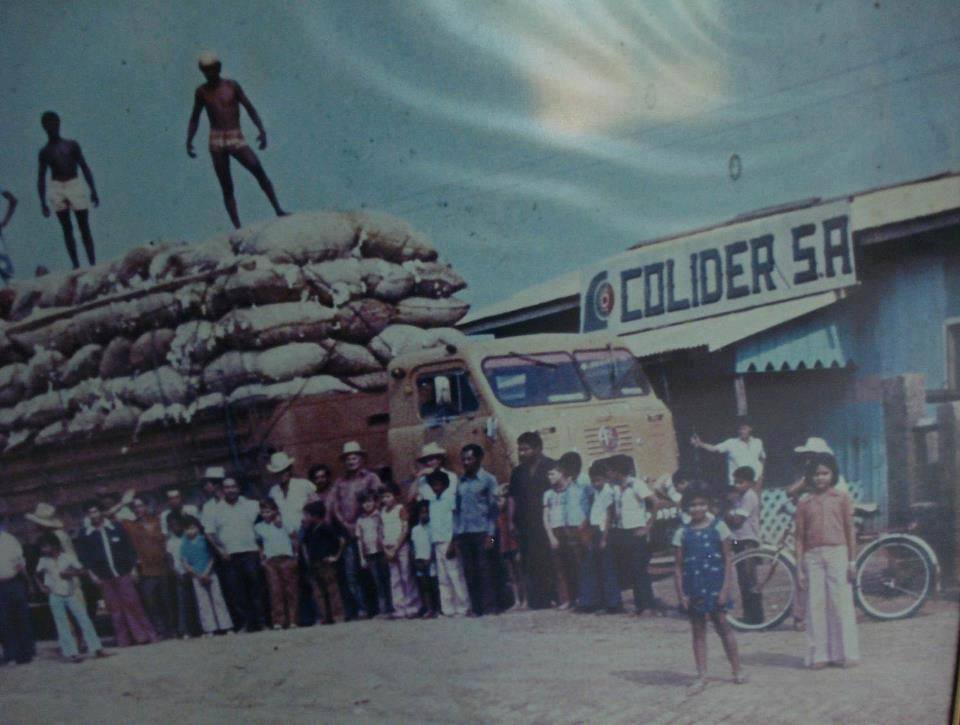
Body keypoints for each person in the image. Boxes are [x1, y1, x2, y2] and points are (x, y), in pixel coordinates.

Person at [186, 51, 288, 229]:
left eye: (212, 68)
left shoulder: (231, 86)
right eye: (205, 70)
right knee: (226, 184)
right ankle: (238, 227)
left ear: (218, 68)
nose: (209, 73)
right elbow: (195, 117)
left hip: (235, 136)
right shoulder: (202, 92)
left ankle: (278, 209)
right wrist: (189, 140)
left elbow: (249, 107)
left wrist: (261, 129)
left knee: (257, 168)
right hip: (216, 140)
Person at [673, 483, 745, 695]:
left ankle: (737, 670)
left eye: (702, 504)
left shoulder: (719, 527)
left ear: (708, 505)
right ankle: (702, 675)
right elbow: (678, 567)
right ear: (686, 507)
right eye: (693, 505)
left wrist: (725, 589)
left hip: (715, 585)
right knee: (698, 631)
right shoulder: (681, 533)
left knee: (723, 627)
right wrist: (681, 594)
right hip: (694, 587)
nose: (698, 508)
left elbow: (728, 559)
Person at [795, 453, 859, 669]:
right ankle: (819, 655)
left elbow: (850, 531)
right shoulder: (804, 502)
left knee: (839, 603)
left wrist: (852, 561)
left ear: (833, 474)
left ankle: (844, 654)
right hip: (812, 556)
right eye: (816, 474)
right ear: (809, 476)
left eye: (825, 473)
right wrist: (799, 568)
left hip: (837, 553)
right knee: (815, 605)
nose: (820, 478)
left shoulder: (841, 498)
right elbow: (799, 537)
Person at [76, 499, 158, 647]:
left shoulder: (116, 527)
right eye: (90, 513)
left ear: (101, 512)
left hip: (123, 572)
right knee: (114, 609)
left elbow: (129, 548)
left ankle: (144, 635)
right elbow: (84, 557)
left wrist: (133, 568)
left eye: (96, 511)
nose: (94, 515)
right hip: (103, 576)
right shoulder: (85, 534)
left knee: (133, 604)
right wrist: (92, 574)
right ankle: (124, 640)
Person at [36, 111, 98, 268]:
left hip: (74, 184)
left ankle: (92, 263)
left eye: (53, 123)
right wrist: (42, 202)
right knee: (66, 228)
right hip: (57, 186)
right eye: (47, 124)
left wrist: (93, 190)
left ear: (59, 123)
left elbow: (84, 167)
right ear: (44, 127)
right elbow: (41, 177)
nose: (51, 127)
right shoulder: (45, 152)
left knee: (84, 225)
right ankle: (76, 265)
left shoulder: (71, 145)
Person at [34, 532, 108, 662]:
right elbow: (36, 574)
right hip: (54, 594)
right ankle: (72, 653)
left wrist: (71, 573)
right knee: (62, 623)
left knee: (84, 619)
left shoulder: (67, 557)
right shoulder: (43, 561)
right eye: (42, 547)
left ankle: (97, 648)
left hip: (70, 592)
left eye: (46, 546)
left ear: (54, 545)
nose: (43, 550)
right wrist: (42, 587)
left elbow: (83, 570)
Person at [204, 477, 266, 632]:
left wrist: (261, 548)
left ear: (239, 488)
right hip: (229, 555)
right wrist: (220, 550)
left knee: (256, 588)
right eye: (227, 487)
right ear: (222, 490)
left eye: (233, 486)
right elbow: (210, 533)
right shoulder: (215, 509)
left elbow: (266, 517)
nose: (230, 490)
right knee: (236, 591)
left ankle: (261, 622)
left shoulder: (251, 505)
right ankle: (245, 623)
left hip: (250, 551)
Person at [331, 441, 382, 621]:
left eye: (354, 457)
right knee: (351, 573)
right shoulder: (340, 482)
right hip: (347, 532)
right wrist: (344, 523)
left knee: (373, 570)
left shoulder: (371, 478)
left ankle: (380, 607)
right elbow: (335, 505)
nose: (351, 461)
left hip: (369, 530)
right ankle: (362, 608)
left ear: (361, 459)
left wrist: (366, 520)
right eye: (348, 458)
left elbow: (378, 500)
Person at [509, 432, 557, 609]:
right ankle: (538, 600)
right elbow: (512, 497)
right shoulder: (517, 472)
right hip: (525, 524)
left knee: (549, 559)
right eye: (520, 450)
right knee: (530, 561)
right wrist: (511, 521)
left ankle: (556, 596)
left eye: (526, 449)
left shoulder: (551, 466)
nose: (521, 453)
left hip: (546, 522)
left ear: (538, 448)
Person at [608, 455, 659, 615]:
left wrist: (648, 526)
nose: (608, 473)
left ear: (617, 471)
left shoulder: (636, 484)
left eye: (610, 471)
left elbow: (655, 502)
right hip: (622, 532)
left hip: (636, 531)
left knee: (640, 569)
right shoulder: (615, 488)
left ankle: (647, 605)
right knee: (631, 570)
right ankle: (640, 605)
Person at [454, 444, 499, 617]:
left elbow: (494, 511)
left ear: (479, 459)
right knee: (469, 571)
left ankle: (490, 607)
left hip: (484, 533)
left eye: (469, 459)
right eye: (463, 459)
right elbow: (457, 510)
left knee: (486, 569)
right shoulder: (460, 481)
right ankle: (476, 608)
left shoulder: (489, 480)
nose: (465, 462)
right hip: (465, 534)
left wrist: (491, 537)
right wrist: (456, 535)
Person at [124, 496, 174, 639]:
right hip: (145, 570)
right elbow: (109, 517)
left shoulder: (157, 521)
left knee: (167, 600)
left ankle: (172, 629)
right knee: (151, 601)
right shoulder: (131, 526)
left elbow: (166, 540)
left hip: (162, 566)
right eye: (135, 507)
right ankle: (159, 630)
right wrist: (123, 502)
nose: (138, 509)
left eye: (140, 506)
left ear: (146, 506)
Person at [578, 461, 622, 614]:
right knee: (595, 567)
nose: (595, 484)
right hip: (595, 531)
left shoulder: (608, 492)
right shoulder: (596, 492)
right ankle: (598, 601)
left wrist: (604, 538)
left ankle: (613, 603)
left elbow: (609, 516)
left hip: (604, 532)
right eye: (593, 481)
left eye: (598, 480)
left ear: (605, 479)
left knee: (608, 568)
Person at [424, 469, 469, 616]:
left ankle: (463, 607)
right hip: (437, 542)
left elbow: (455, 522)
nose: (435, 487)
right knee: (443, 578)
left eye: (438, 484)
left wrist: (453, 542)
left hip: (449, 542)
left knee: (455, 575)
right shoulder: (432, 502)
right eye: (432, 485)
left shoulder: (450, 499)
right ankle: (448, 609)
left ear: (445, 485)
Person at [179, 516, 233, 636]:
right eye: (187, 529)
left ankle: (226, 626)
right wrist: (197, 575)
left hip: (210, 573)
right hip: (196, 577)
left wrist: (207, 572)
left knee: (218, 600)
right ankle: (210, 628)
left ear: (198, 528)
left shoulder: (204, 540)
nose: (190, 531)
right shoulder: (184, 544)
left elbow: (212, 557)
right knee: (203, 603)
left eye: (192, 528)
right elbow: (184, 562)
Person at [724, 466, 764, 626]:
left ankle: (757, 617)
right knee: (743, 580)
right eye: (735, 482)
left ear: (750, 483)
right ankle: (749, 615)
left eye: (740, 482)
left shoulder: (749, 497)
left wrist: (728, 508)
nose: (736, 485)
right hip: (738, 539)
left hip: (748, 540)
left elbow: (737, 520)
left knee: (750, 579)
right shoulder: (739, 497)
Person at [299, 501, 347, 625]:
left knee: (332, 589)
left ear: (315, 515)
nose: (305, 518)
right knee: (318, 591)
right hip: (314, 563)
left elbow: (341, 541)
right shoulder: (309, 530)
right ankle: (325, 616)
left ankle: (338, 615)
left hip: (326, 563)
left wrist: (335, 556)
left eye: (307, 515)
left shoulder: (326, 527)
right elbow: (303, 543)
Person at [255, 498, 299, 630]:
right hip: (271, 561)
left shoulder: (284, 522)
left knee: (290, 590)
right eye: (263, 512)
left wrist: (295, 556)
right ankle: (278, 621)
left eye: (268, 511)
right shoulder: (259, 527)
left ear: (275, 510)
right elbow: (259, 544)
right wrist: (262, 559)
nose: (265, 514)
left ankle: (293, 619)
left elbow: (294, 539)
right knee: (275, 591)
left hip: (286, 558)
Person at [691, 418, 766, 490]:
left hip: (756, 481)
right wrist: (700, 443)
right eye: (740, 429)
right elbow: (714, 448)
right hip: (738, 482)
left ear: (750, 429)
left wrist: (760, 474)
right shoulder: (731, 443)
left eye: (744, 429)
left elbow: (762, 457)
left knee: (756, 499)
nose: (741, 431)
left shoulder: (758, 442)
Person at [381, 482, 419, 618]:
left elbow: (405, 529)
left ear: (395, 496)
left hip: (401, 547)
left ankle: (412, 606)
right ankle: (399, 607)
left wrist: (396, 547)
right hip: (389, 548)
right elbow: (381, 532)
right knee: (395, 578)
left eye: (388, 496)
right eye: (383, 497)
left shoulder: (400, 509)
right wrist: (386, 550)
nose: (386, 499)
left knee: (406, 576)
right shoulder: (382, 512)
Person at [0, 519, 34, 664]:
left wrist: (28, 582)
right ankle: (10, 653)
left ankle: (26, 652)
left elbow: (20, 563)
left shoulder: (9, 540)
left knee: (21, 617)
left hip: (13, 583)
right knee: (3, 621)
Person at [355, 491, 393, 618]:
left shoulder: (380, 515)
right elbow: (359, 540)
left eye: (370, 501)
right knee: (376, 582)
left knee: (387, 579)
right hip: (369, 554)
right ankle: (382, 609)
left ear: (375, 502)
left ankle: (392, 607)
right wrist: (362, 558)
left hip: (382, 552)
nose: (367, 505)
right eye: (364, 502)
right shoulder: (360, 520)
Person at [266, 452, 315, 537]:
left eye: (284, 471)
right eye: (278, 472)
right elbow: (272, 511)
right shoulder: (273, 491)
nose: (281, 475)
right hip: (286, 534)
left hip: (308, 531)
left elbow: (318, 505)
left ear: (289, 470)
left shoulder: (304, 484)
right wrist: (276, 518)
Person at [164, 513, 197, 639]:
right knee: (182, 604)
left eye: (177, 525)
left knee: (196, 602)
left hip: (194, 573)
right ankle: (184, 630)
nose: (175, 527)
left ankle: (198, 628)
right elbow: (170, 561)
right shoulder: (170, 542)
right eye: (172, 526)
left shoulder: (188, 537)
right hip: (180, 575)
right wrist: (176, 574)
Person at [495, 482, 524, 610]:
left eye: (500, 499)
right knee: (511, 575)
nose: (498, 503)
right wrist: (492, 544)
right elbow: (494, 535)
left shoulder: (513, 516)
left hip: (515, 546)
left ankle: (526, 599)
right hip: (504, 547)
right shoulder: (497, 516)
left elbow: (518, 534)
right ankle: (516, 600)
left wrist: (520, 549)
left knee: (520, 573)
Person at [410, 500, 439, 619]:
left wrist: (430, 559)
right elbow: (413, 546)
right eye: (422, 513)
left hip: (430, 560)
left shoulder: (432, 528)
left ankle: (437, 608)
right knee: (424, 586)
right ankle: (428, 609)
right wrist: (415, 560)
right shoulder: (415, 529)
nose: (424, 515)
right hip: (419, 560)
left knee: (433, 585)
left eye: (426, 512)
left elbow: (433, 545)